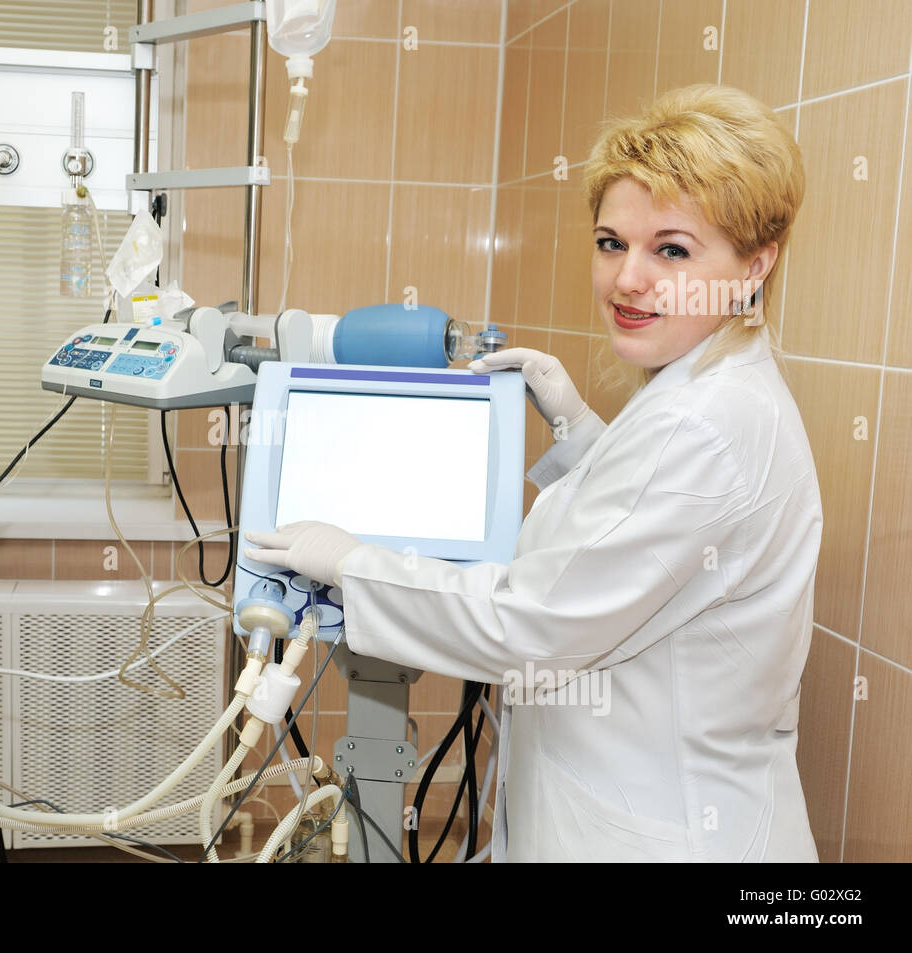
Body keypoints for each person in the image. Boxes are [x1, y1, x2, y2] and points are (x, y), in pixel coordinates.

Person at [244, 84, 821, 862]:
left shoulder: (707, 425)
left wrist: (353, 563)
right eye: (612, 242)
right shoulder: (706, 393)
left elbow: (531, 623)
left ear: (756, 263)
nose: (628, 280)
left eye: (672, 250)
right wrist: (583, 433)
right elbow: (640, 539)